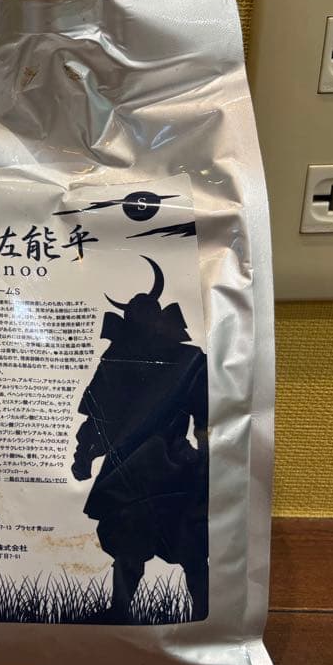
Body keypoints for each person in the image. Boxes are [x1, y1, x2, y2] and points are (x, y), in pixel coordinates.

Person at [71, 257, 209, 623]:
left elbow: (205, 418)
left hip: (170, 463)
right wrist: (83, 454)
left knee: (190, 543)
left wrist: (209, 458)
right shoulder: (117, 358)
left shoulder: (188, 358)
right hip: (130, 466)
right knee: (130, 545)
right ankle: (121, 610)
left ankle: (204, 614)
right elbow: (98, 414)